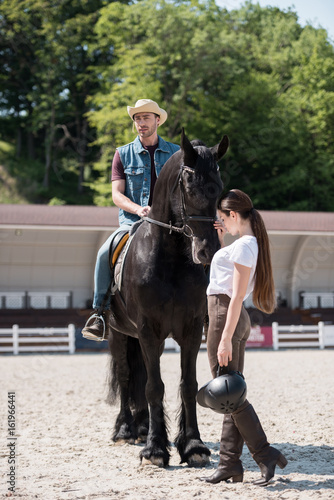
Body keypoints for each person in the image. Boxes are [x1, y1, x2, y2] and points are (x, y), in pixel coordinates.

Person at [200, 189, 288, 486]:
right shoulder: (246, 244)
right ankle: (229, 464)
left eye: (224, 218)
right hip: (231, 316)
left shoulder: (244, 247)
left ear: (234, 215)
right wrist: (223, 241)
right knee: (230, 394)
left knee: (228, 396)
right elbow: (229, 281)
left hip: (226, 315)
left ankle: (264, 454)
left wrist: (224, 338)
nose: (222, 223)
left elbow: (236, 295)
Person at [82, 99, 180, 340]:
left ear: (158, 120)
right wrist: (138, 209)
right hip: (132, 222)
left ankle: (206, 311)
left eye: (146, 118)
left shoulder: (177, 153)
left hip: (172, 224)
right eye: (137, 118)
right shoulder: (122, 154)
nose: (141, 123)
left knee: (200, 248)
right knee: (104, 252)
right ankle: (100, 314)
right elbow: (117, 195)